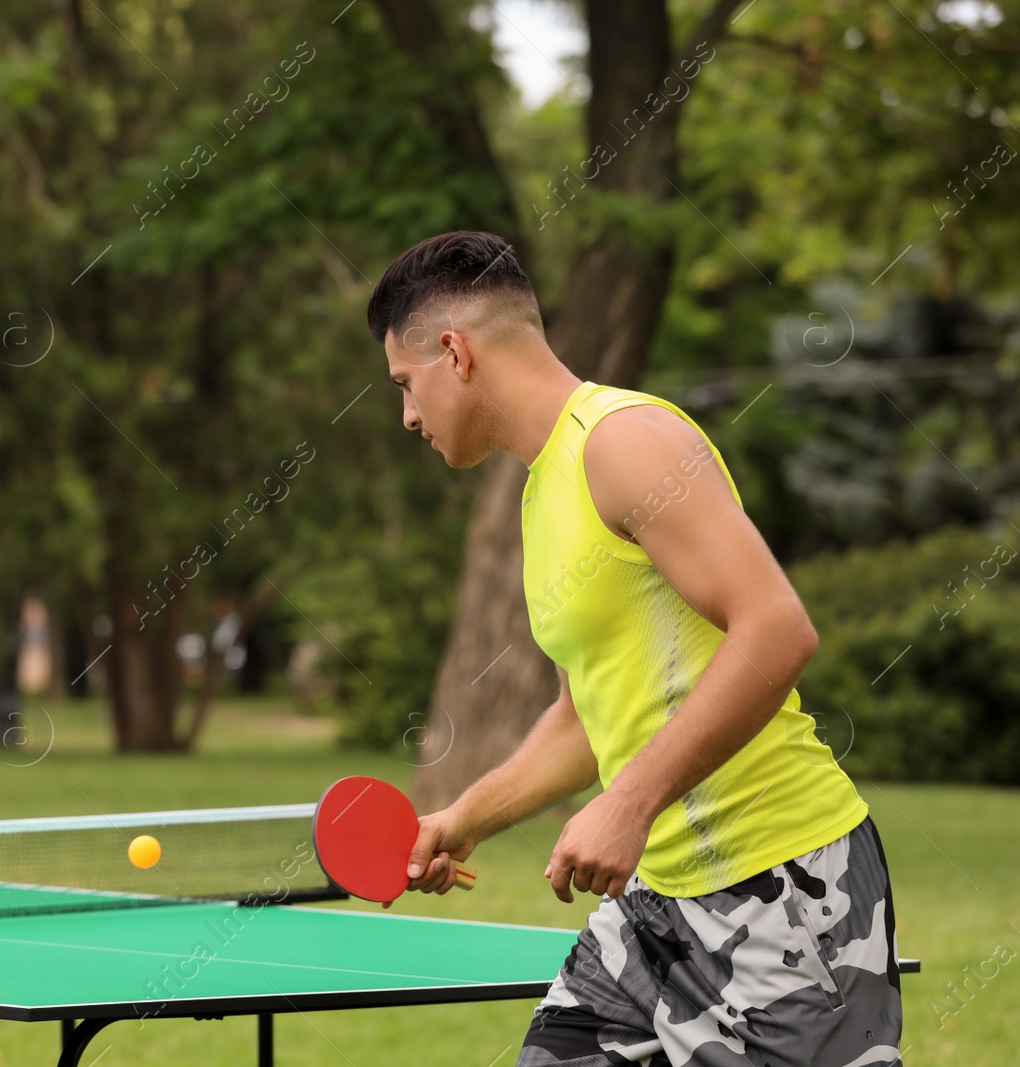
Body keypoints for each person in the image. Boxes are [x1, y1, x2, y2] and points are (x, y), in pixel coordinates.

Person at [370, 232, 901, 1066]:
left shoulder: (627, 441)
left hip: (786, 889)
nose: (406, 414)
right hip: (657, 906)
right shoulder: (545, 487)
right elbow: (588, 715)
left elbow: (776, 625)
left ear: (455, 352)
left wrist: (628, 802)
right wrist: (463, 818)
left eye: (405, 384)